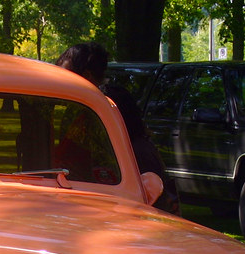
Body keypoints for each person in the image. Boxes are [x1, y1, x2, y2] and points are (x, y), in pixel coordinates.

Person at [56, 42, 180, 215]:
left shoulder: (109, 105)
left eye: (67, 76)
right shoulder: (76, 108)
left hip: (113, 204)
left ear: (86, 75)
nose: (60, 82)